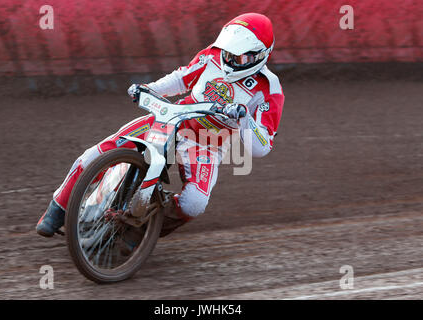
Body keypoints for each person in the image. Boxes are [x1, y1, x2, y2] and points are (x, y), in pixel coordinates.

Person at [36, 12, 285, 250]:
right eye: (229, 51)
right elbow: (181, 79)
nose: (230, 59)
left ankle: (143, 229)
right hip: (176, 119)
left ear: (260, 55)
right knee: (97, 153)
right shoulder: (214, 54)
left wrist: (244, 119)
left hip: (209, 143)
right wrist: (148, 88)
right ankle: (58, 208)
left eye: (239, 56)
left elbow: (262, 147)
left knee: (194, 203)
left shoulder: (269, 88)